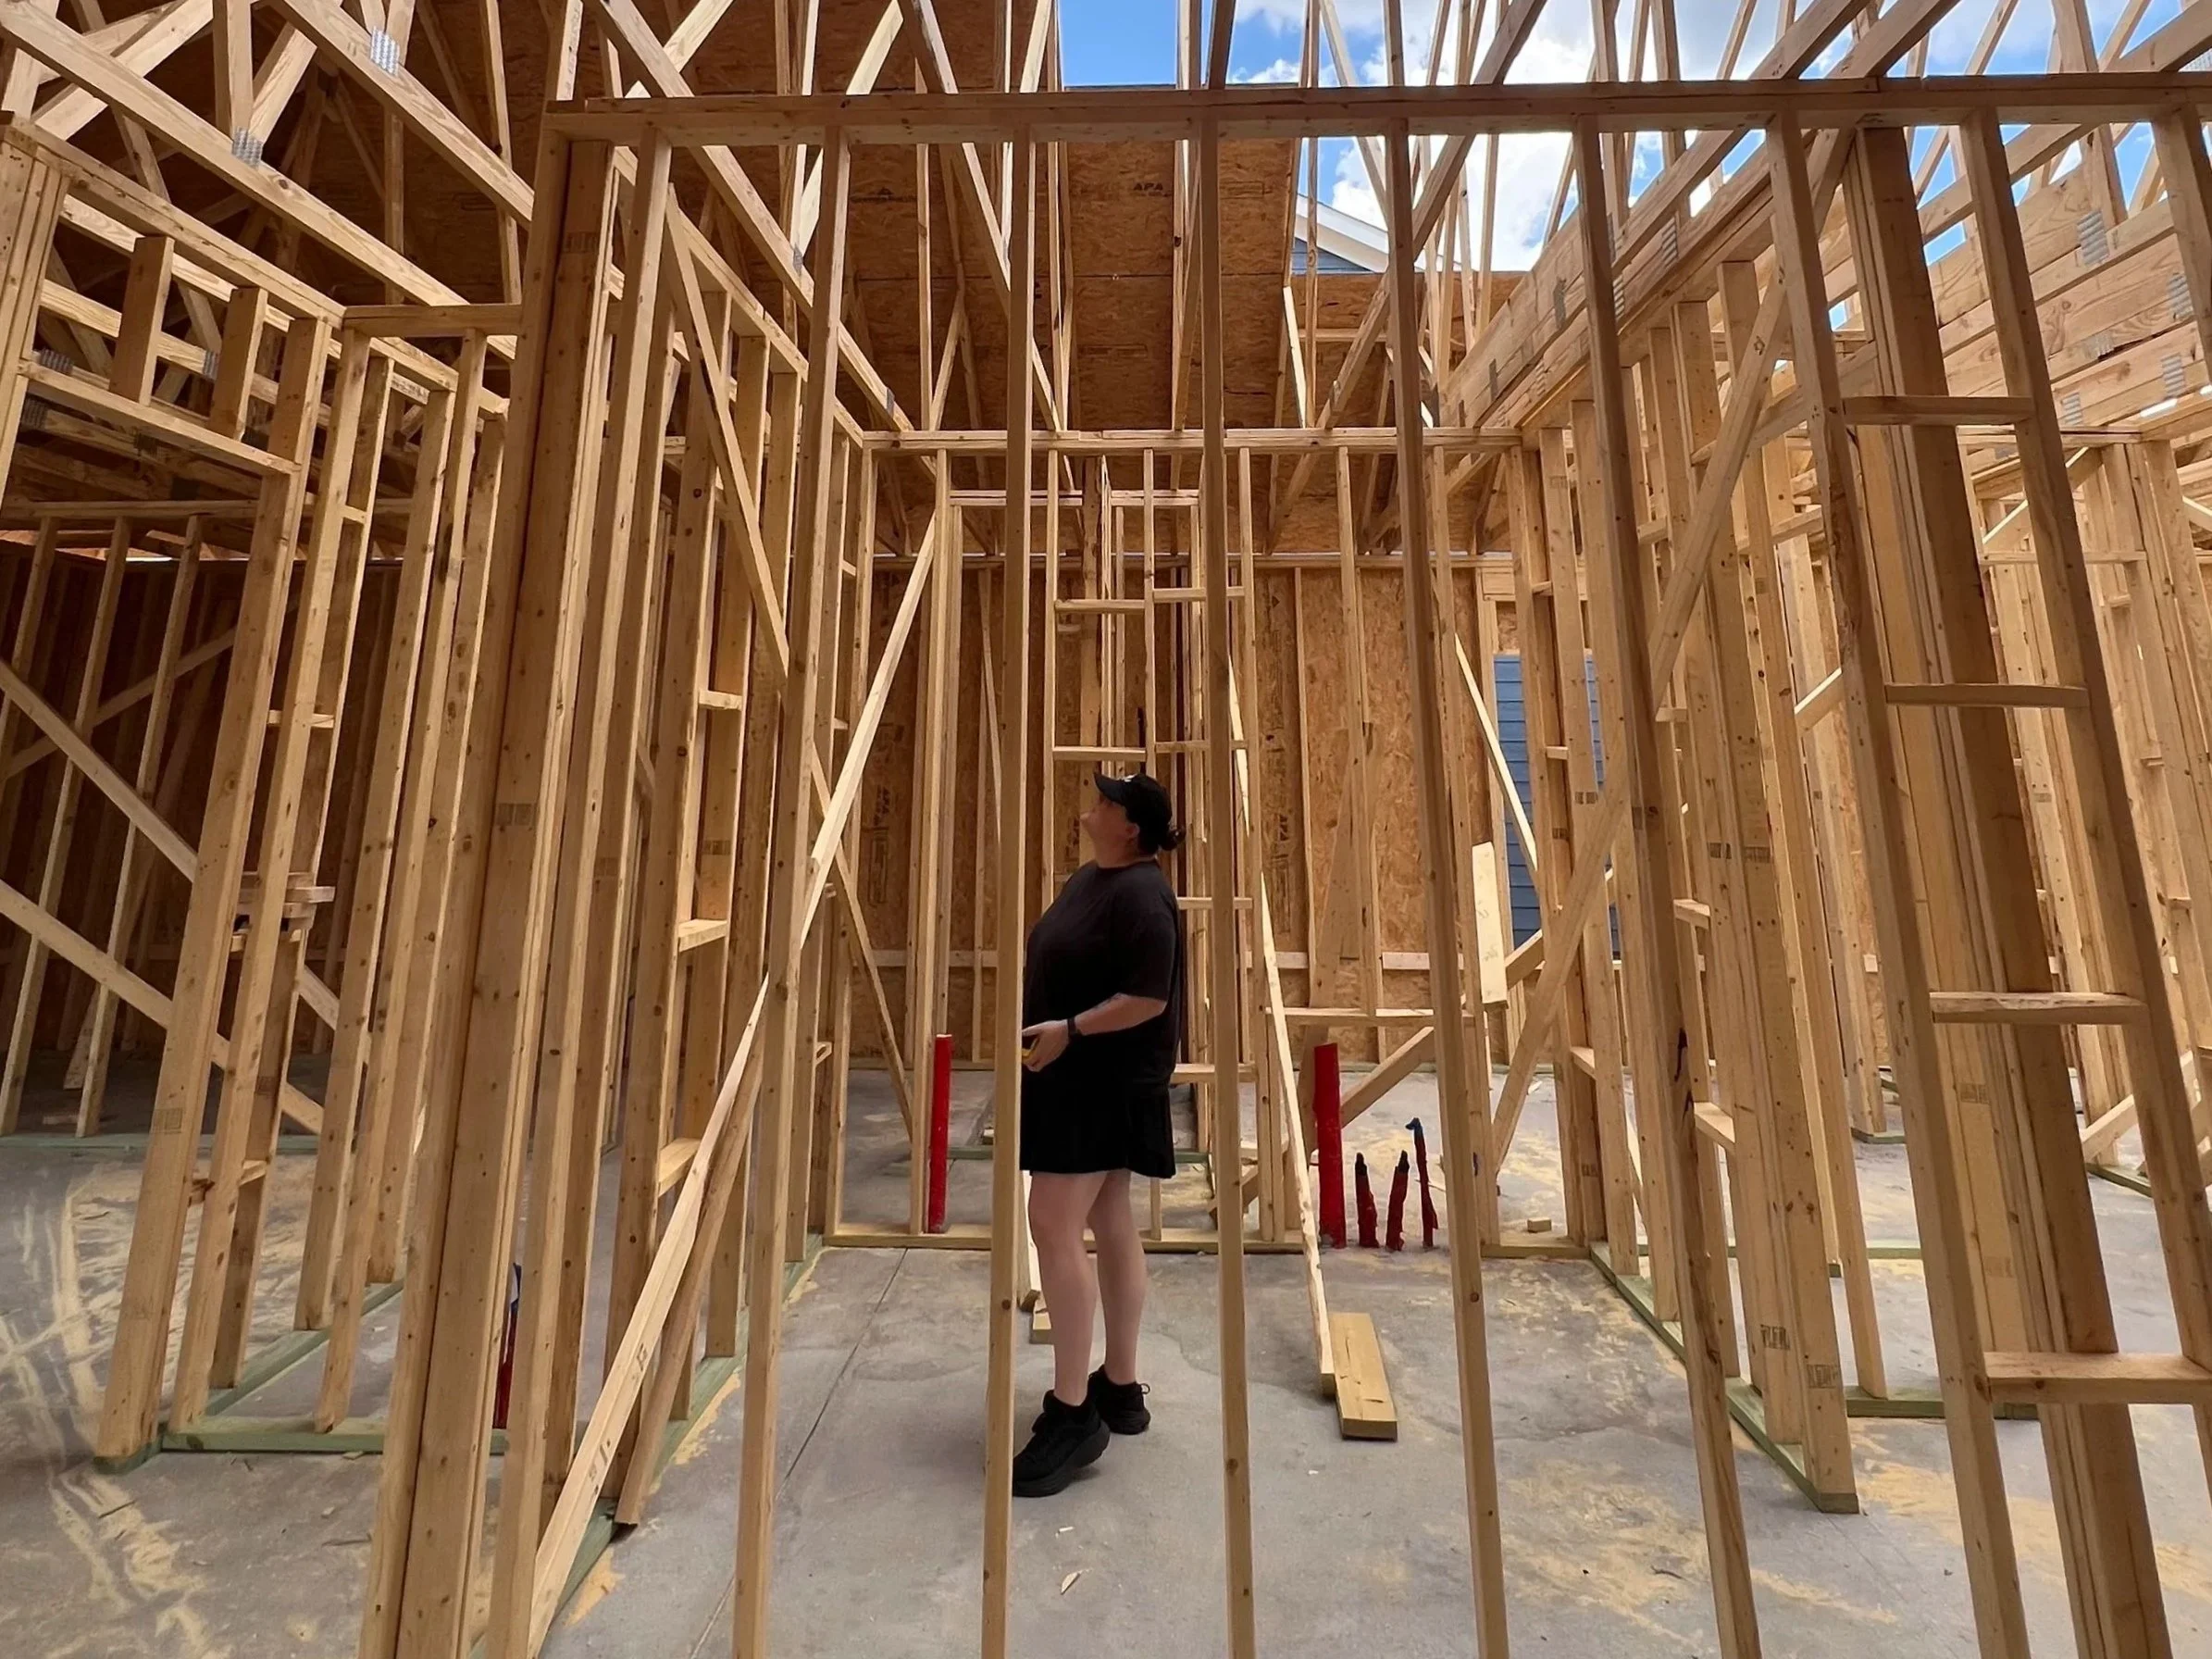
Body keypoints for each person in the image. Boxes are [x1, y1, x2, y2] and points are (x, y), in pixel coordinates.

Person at [1008, 770, 1185, 1497]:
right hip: (1074, 1073)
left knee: (1050, 1221)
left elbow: (1148, 997)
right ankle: (1119, 1385)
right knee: (1109, 1218)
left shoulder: (1145, 894)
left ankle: (1074, 1415)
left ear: (1131, 828)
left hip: (1098, 1082)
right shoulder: (1094, 877)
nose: (1095, 805)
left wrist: (1071, 1029)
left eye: (1108, 802)